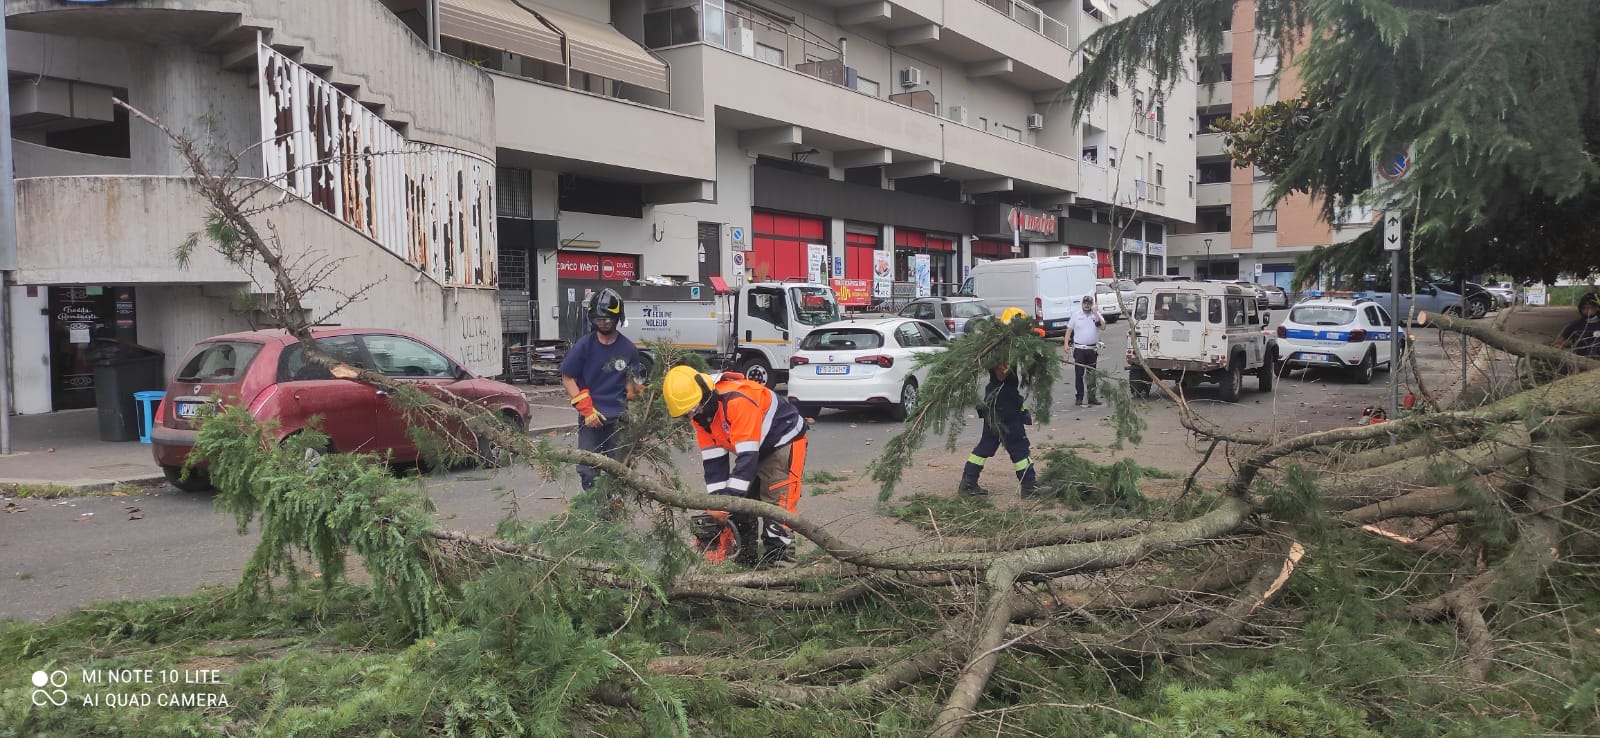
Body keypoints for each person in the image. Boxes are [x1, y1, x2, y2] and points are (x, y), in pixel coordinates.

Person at [663, 365, 807, 567]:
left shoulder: (737, 401)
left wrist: (724, 505)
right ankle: (745, 561)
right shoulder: (701, 416)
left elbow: (747, 457)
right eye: (687, 413)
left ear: (705, 394)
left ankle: (782, 569)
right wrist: (717, 506)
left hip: (784, 440)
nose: (692, 416)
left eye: (694, 409)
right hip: (754, 447)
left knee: (776, 507)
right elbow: (714, 465)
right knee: (740, 507)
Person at [560, 288, 641, 493]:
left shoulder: (628, 349)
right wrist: (586, 409)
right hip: (591, 418)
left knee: (619, 469)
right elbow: (568, 377)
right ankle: (592, 511)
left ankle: (614, 509)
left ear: (617, 318)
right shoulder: (584, 346)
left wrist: (639, 398)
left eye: (608, 319)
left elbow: (632, 386)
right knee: (588, 468)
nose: (603, 323)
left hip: (619, 420)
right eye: (599, 319)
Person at [958, 355, 1039, 499]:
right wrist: (1008, 360)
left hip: (998, 400)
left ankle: (968, 483)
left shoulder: (1005, 343)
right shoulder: (1002, 347)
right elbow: (1001, 374)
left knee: (987, 445)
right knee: (1018, 445)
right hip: (1004, 403)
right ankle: (1029, 486)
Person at [1064, 294, 1107, 408]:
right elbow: (1069, 330)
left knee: (1091, 374)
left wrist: (1096, 312)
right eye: (1085, 303)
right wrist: (1066, 343)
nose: (1087, 305)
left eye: (1089, 303)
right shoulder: (1076, 315)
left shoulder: (1096, 316)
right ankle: (1079, 397)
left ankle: (1092, 397)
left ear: (1092, 304)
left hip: (1091, 349)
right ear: (1082, 304)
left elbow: (1103, 326)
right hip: (1079, 349)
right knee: (1079, 374)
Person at [1559, 292, 1600, 358]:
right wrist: (1561, 345)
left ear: (1597, 308)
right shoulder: (1574, 325)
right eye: (1584, 308)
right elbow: (1560, 342)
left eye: (1590, 308)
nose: (1587, 311)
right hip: (1579, 361)